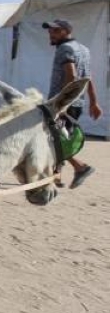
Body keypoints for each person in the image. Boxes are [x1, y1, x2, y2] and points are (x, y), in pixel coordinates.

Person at [44, 19, 102, 188]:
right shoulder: (84, 49)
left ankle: (80, 167)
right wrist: (93, 102)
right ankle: (56, 177)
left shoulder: (65, 49)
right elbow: (87, 78)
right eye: (50, 31)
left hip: (62, 104)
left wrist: (62, 104)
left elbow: (71, 75)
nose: (51, 34)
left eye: (55, 31)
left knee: (53, 138)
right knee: (60, 137)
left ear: (66, 31)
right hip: (76, 104)